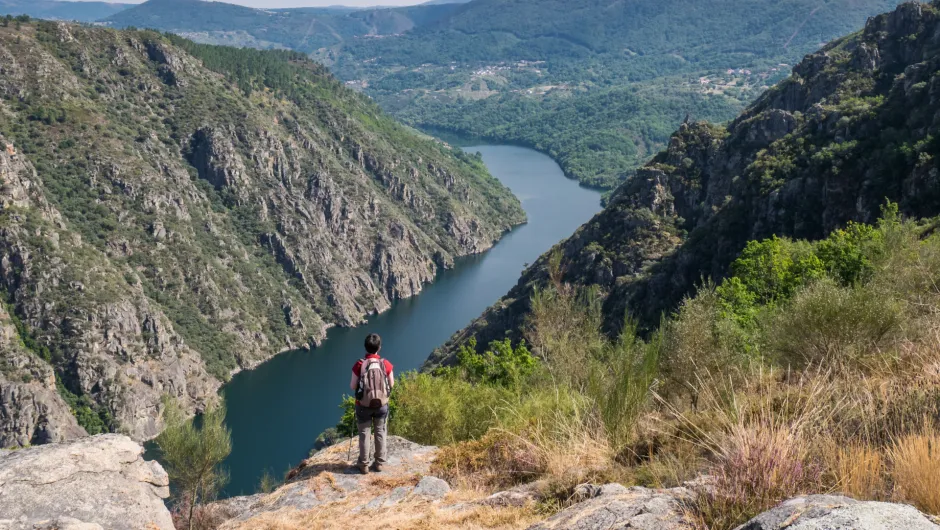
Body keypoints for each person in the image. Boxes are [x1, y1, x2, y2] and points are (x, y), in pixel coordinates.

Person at [350, 333, 394, 474]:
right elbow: (391, 384)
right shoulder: (385, 364)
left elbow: (352, 386)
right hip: (381, 405)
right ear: (379, 348)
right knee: (380, 432)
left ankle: (363, 465)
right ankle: (379, 463)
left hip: (363, 405)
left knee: (364, 433)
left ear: (365, 347)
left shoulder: (359, 364)